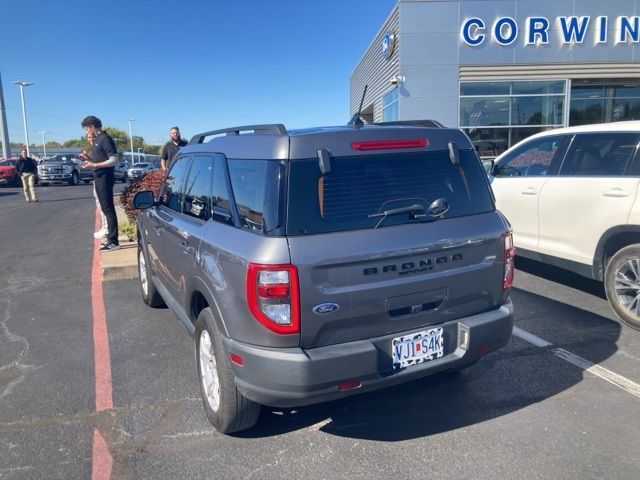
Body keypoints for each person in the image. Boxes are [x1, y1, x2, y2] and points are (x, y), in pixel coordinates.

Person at [80, 115, 119, 251]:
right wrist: (90, 161)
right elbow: (99, 161)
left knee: (108, 208)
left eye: (86, 129)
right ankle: (110, 237)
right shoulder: (97, 140)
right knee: (104, 207)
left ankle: (113, 241)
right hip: (99, 177)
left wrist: (95, 165)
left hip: (105, 178)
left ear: (92, 126)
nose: (86, 132)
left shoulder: (105, 139)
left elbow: (113, 159)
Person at [79, 131, 108, 238]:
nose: (90, 139)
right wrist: (88, 158)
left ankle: (106, 228)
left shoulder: (100, 148)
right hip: (97, 178)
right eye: (88, 137)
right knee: (99, 203)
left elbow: (104, 162)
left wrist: (92, 164)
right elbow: (96, 162)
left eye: (92, 137)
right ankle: (105, 226)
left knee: (103, 204)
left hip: (103, 178)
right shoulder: (95, 149)